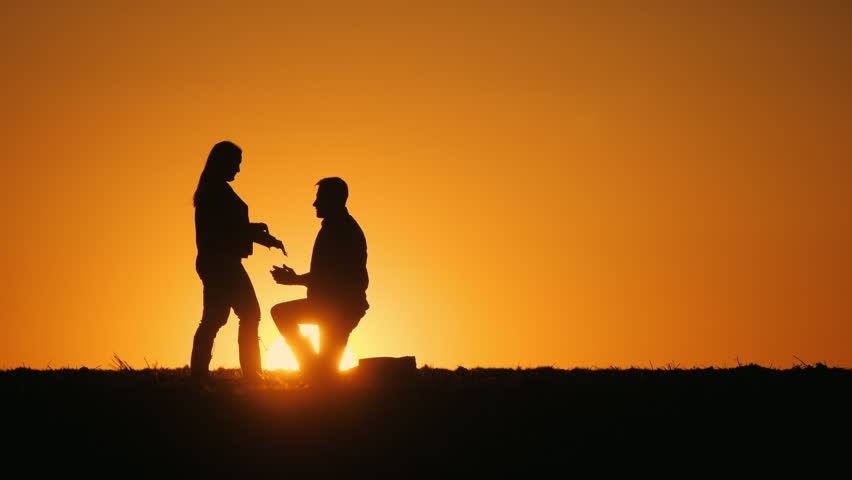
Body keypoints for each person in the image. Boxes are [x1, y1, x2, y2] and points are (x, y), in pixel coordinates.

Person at [191, 140, 286, 383]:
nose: (238, 169)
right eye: (236, 164)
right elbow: (226, 229)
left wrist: (259, 234)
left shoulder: (213, 189)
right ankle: (251, 373)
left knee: (215, 318)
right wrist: (259, 235)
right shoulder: (215, 191)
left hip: (218, 261)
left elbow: (231, 227)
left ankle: (200, 374)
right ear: (223, 163)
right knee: (248, 314)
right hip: (222, 262)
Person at [270, 177, 369, 384]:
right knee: (325, 375)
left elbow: (331, 277)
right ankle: (313, 369)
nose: (315, 204)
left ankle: (312, 368)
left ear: (335, 199)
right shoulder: (337, 227)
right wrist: (296, 279)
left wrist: (294, 279)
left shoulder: (341, 230)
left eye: (320, 198)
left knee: (281, 314)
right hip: (333, 308)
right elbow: (327, 275)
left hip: (339, 309)